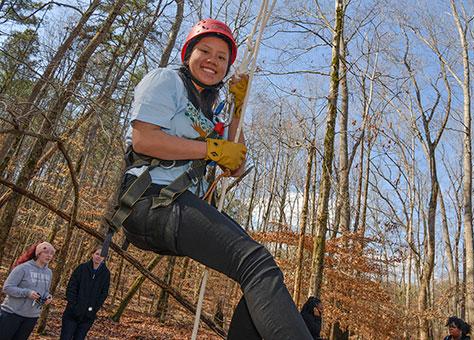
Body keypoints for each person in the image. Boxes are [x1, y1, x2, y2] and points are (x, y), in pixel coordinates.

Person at [116, 18, 313, 339]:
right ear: (188, 54)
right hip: (151, 199)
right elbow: (144, 140)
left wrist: (236, 110)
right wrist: (210, 148)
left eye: (222, 57)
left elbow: (234, 163)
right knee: (255, 263)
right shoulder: (166, 81)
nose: (213, 60)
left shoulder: (214, 110)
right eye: (205, 51)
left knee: (259, 270)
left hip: (176, 205)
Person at [0, 241, 55, 340]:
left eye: (51, 254)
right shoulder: (23, 268)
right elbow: (7, 287)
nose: (49, 256)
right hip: (12, 314)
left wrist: (48, 296)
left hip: (31, 317)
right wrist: (27, 293)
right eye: (46, 252)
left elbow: (45, 290)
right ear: (38, 253)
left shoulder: (49, 272)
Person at [60, 245, 110, 340]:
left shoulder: (106, 274)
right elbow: (71, 287)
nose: (98, 257)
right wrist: (73, 305)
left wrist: (93, 310)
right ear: (92, 254)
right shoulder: (81, 268)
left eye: (101, 255)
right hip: (72, 313)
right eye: (97, 254)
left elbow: (104, 294)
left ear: (104, 258)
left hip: (88, 317)